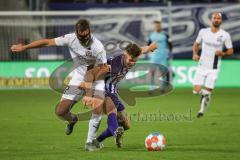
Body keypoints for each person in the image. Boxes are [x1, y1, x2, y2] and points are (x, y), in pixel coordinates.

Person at [10, 19, 108, 137]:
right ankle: (72, 120)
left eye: (85, 36)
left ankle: (92, 141)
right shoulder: (70, 38)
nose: (83, 40)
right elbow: (47, 42)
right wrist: (24, 47)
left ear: (89, 31)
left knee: (99, 108)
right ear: (76, 33)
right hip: (78, 78)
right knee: (60, 112)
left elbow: (104, 68)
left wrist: (89, 87)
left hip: (96, 80)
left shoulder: (97, 46)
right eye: (80, 37)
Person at [81, 42, 158, 151]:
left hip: (113, 90)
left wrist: (150, 48)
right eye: (131, 60)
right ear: (125, 54)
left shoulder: (132, 54)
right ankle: (94, 140)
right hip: (102, 88)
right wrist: (88, 93)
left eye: (135, 61)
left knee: (125, 125)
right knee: (111, 110)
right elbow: (91, 74)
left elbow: (141, 50)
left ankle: (97, 141)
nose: (132, 63)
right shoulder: (114, 65)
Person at [192, 12, 233, 118]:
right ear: (211, 20)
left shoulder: (225, 35)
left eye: (218, 18)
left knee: (207, 91)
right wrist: (195, 54)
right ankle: (206, 95)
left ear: (221, 21)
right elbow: (196, 44)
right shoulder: (203, 32)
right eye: (214, 18)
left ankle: (201, 111)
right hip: (202, 66)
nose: (216, 20)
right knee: (196, 91)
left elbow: (230, 51)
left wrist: (223, 53)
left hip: (214, 68)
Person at [148, 20, 172, 93]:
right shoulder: (151, 35)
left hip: (163, 56)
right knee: (152, 72)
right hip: (154, 56)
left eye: (158, 25)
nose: (157, 27)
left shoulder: (165, 35)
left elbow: (170, 45)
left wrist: (170, 54)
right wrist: (149, 52)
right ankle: (151, 88)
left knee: (163, 73)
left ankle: (163, 88)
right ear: (154, 27)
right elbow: (148, 45)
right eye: (156, 26)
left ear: (160, 26)